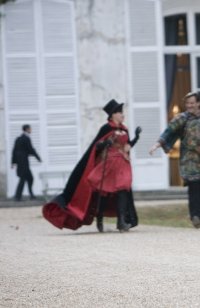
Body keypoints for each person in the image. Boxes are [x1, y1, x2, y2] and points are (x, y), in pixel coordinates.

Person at [42, 99, 141, 232]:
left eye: (122, 112)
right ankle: (99, 217)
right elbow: (96, 145)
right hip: (109, 164)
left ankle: (122, 221)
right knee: (106, 192)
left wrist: (135, 138)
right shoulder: (106, 128)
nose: (123, 114)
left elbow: (126, 148)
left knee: (123, 189)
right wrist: (103, 144)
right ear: (113, 115)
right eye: (119, 112)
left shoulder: (124, 129)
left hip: (122, 163)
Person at [149, 92, 200, 230]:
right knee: (193, 185)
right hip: (189, 159)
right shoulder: (181, 118)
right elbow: (169, 131)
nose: (189, 106)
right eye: (187, 103)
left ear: (198, 103)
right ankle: (195, 216)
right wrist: (156, 145)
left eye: (192, 103)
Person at [11, 124, 42, 201]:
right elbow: (31, 149)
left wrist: (13, 162)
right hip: (24, 163)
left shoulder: (18, 139)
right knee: (24, 179)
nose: (31, 130)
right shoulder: (26, 138)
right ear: (27, 129)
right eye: (30, 129)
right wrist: (38, 158)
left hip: (20, 163)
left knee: (28, 178)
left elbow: (14, 151)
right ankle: (18, 196)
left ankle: (28, 195)